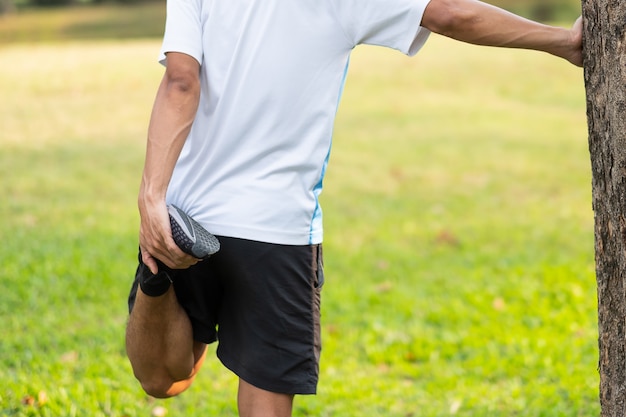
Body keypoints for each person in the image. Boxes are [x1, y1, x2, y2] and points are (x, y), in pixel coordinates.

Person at [125, 0, 583, 415]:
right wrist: (563, 42)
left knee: (165, 379)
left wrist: (152, 197)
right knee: (256, 395)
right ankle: (159, 276)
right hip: (277, 230)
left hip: (187, 216)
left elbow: (181, 80)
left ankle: (156, 274)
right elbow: (452, 14)